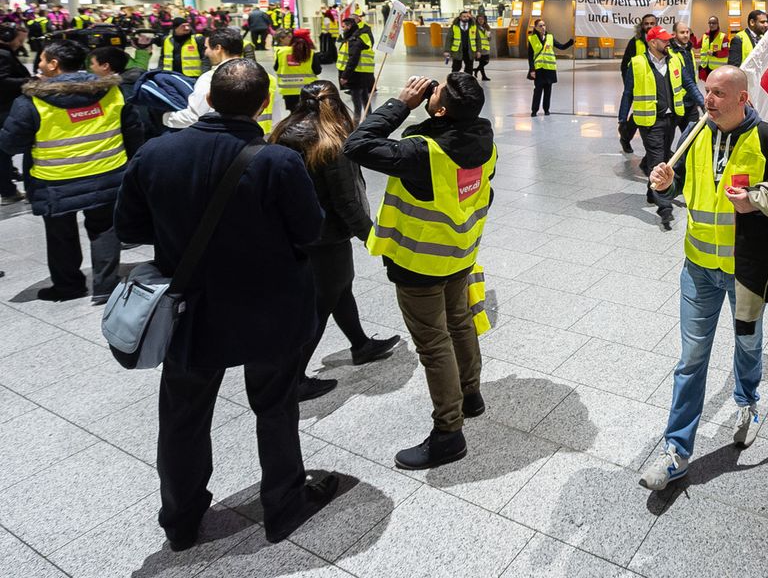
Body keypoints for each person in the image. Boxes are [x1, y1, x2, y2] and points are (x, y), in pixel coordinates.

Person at [114, 59, 342, 548]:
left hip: (190, 311)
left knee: (183, 415)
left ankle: (180, 519)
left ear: (209, 100)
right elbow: (309, 231)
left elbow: (130, 229)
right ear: (263, 106)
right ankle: (283, 506)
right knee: (275, 407)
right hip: (271, 310)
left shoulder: (155, 154)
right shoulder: (277, 162)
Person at [641, 65, 768, 490]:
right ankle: (677, 451)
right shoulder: (694, 134)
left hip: (746, 273)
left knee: (748, 347)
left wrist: (756, 198)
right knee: (691, 359)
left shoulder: (766, 138)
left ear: (742, 99)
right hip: (697, 269)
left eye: (718, 94)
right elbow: (679, 191)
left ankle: (747, 404)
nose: (708, 100)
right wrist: (666, 186)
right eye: (707, 91)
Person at [345, 72, 495, 468]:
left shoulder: (420, 152)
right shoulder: (483, 140)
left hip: (420, 263)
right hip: (459, 253)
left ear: (442, 108)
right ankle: (471, 394)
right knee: (460, 323)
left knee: (433, 343)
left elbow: (356, 145)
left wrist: (401, 104)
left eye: (437, 90)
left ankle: (449, 433)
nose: (430, 89)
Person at [268, 81, 399, 400]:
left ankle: (361, 345)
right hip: (326, 234)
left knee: (340, 289)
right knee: (321, 304)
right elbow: (346, 201)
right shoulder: (331, 140)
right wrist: (372, 237)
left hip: (295, 229)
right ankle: (293, 378)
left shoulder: (283, 130)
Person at [0, 40, 142, 302]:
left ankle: (68, 287)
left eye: (42, 60)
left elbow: (10, 144)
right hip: (108, 173)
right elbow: (133, 131)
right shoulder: (112, 91)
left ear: (54, 65)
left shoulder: (32, 101)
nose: (39, 65)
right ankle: (105, 286)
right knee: (105, 229)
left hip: (55, 182)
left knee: (60, 236)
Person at [165, 28, 279, 133]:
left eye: (207, 48)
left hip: (226, 141)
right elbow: (276, 119)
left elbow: (195, 117)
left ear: (218, 48)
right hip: (260, 140)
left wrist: (165, 117)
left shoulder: (210, 78)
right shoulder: (269, 78)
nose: (206, 52)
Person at [631, 26, 686, 230]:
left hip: (670, 120)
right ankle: (665, 208)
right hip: (650, 122)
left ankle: (651, 192)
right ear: (653, 43)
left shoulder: (674, 60)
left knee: (663, 153)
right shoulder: (637, 63)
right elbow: (629, 92)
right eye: (664, 40)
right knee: (657, 160)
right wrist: (622, 120)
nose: (668, 42)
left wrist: (700, 101)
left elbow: (687, 82)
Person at [616, 13, 656, 154]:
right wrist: (628, 83)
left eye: (652, 23)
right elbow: (624, 64)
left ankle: (655, 147)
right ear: (642, 26)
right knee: (639, 113)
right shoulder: (635, 42)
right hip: (637, 84)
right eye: (646, 23)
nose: (649, 26)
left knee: (650, 113)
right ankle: (625, 136)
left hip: (654, 84)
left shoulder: (659, 41)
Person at [0, 23, 28, 205]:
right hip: (3, 108)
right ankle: (7, 191)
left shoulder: (5, 52)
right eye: (20, 40)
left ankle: (10, 174)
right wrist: (29, 80)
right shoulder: (2, 54)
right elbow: (2, 82)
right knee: (3, 150)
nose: (20, 44)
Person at [526, 19, 573, 116]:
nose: (543, 27)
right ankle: (534, 110)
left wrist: (571, 41)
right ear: (535, 27)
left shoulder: (550, 37)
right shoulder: (532, 39)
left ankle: (546, 110)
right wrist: (532, 69)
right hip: (539, 69)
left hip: (549, 68)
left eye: (544, 25)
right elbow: (530, 57)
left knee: (548, 91)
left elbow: (562, 47)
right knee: (538, 90)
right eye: (540, 26)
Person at [669, 21, 705, 133]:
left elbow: (690, 80)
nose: (685, 35)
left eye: (687, 32)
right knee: (667, 138)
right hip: (676, 103)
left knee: (693, 136)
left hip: (691, 101)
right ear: (674, 34)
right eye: (682, 32)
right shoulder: (669, 52)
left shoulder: (689, 50)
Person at [337, 15, 375, 119]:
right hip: (364, 73)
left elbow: (353, 59)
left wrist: (345, 76)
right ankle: (369, 119)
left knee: (357, 102)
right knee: (364, 98)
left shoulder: (354, 40)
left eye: (344, 26)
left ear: (349, 26)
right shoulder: (360, 36)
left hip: (356, 74)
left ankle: (355, 124)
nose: (342, 29)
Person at [273, 29, 320, 111]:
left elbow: (276, 68)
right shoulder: (310, 53)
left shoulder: (281, 52)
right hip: (307, 90)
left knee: (294, 114)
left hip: (288, 90)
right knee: (308, 113)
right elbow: (317, 71)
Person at [446, 10, 487, 76]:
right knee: (456, 68)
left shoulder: (473, 26)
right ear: (460, 17)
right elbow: (449, 39)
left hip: (470, 51)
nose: (466, 18)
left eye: (467, 16)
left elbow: (478, 39)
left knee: (469, 68)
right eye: (464, 16)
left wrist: (479, 51)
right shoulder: (454, 26)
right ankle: (453, 81)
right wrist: (447, 51)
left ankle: (468, 81)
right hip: (457, 50)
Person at [700, 15, 729, 80]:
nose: (711, 25)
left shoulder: (723, 37)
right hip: (706, 68)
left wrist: (714, 53)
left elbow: (726, 52)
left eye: (713, 23)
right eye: (710, 23)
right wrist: (690, 35)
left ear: (717, 24)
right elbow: (696, 45)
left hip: (719, 70)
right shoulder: (705, 36)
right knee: (708, 88)